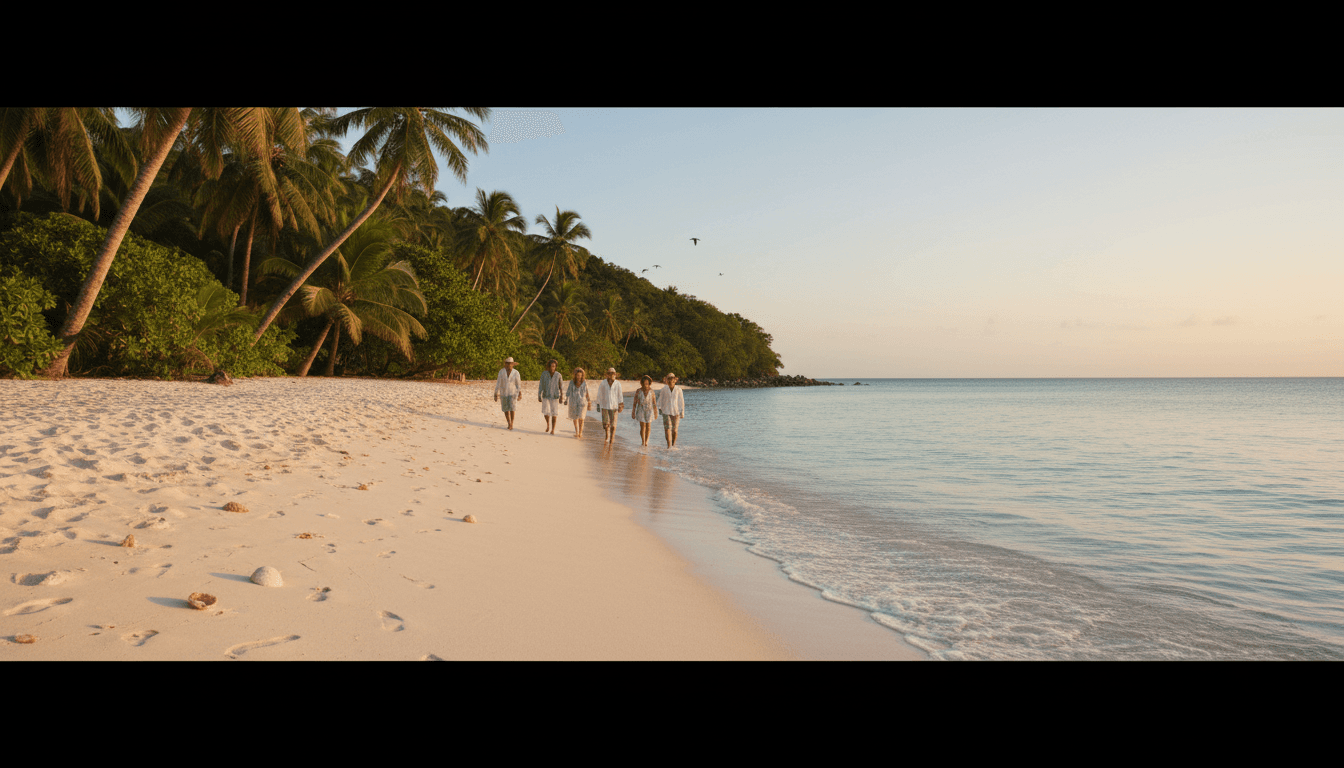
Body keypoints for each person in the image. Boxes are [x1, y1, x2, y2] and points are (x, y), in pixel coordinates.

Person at [656, 372, 686, 448]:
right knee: (667, 429)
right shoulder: (663, 389)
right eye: (669, 379)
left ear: (675, 380)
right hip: (666, 411)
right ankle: (669, 446)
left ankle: (673, 444)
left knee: (675, 430)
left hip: (676, 412)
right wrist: (659, 409)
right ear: (667, 380)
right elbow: (660, 400)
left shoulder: (679, 390)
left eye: (672, 379)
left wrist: (682, 412)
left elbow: (681, 401)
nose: (670, 381)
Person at [595, 367, 624, 444]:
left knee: (613, 425)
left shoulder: (617, 383)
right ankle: (607, 434)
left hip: (614, 406)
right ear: (607, 374)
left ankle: (612, 438)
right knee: (605, 424)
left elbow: (620, 394)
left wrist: (621, 404)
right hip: (605, 406)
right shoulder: (603, 383)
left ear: (615, 375)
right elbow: (599, 394)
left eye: (613, 374)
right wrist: (598, 404)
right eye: (609, 373)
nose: (611, 375)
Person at [493, 356, 522, 430]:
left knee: (512, 408)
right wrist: (495, 394)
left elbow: (518, 384)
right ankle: (508, 422)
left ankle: (512, 422)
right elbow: (498, 383)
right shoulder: (501, 372)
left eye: (510, 364)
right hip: (503, 393)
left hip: (513, 393)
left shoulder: (516, 373)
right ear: (505, 364)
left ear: (512, 364)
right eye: (507, 364)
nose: (508, 365)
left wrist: (520, 393)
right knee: (506, 409)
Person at [631, 375, 659, 447]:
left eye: (647, 383)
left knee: (648, 426)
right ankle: (643, 441)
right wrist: (633, 412)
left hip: (650, 410)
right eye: (644, 383)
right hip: (641, 409)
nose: (646, 384)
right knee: (642, 427)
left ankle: (646, 441)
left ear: (649, 383)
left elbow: (654, 403)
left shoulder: (652, 391)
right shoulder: (638, 391)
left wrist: (656, 413)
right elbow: (635, 403)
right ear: (642, 383)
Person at [538, 359, 564, 435]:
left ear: (555, 367)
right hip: (546, 395)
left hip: (555, 396)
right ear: (548, 366)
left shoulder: (558, 375)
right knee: (545, 412)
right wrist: (539, 395)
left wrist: (561, 396)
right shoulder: (544, 374)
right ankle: (548, 424)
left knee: (554, 413)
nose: (552, 368)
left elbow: (561, 386)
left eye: (554, 366)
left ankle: (553, 429)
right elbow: (541, 385)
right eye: (551, 366)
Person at [566, 367, 591, 437]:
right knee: (575, 417)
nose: (579, 377)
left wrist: (589, 401)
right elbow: (568, 391)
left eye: (580, 375)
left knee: (581, 417)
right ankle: (576, 431)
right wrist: (566, 399)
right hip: (573, 401)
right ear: (575, 375)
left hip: (582, 402)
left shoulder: (584, 382)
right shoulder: (571, 382)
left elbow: (587, 392)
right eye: (577, 375)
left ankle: (580, 433)